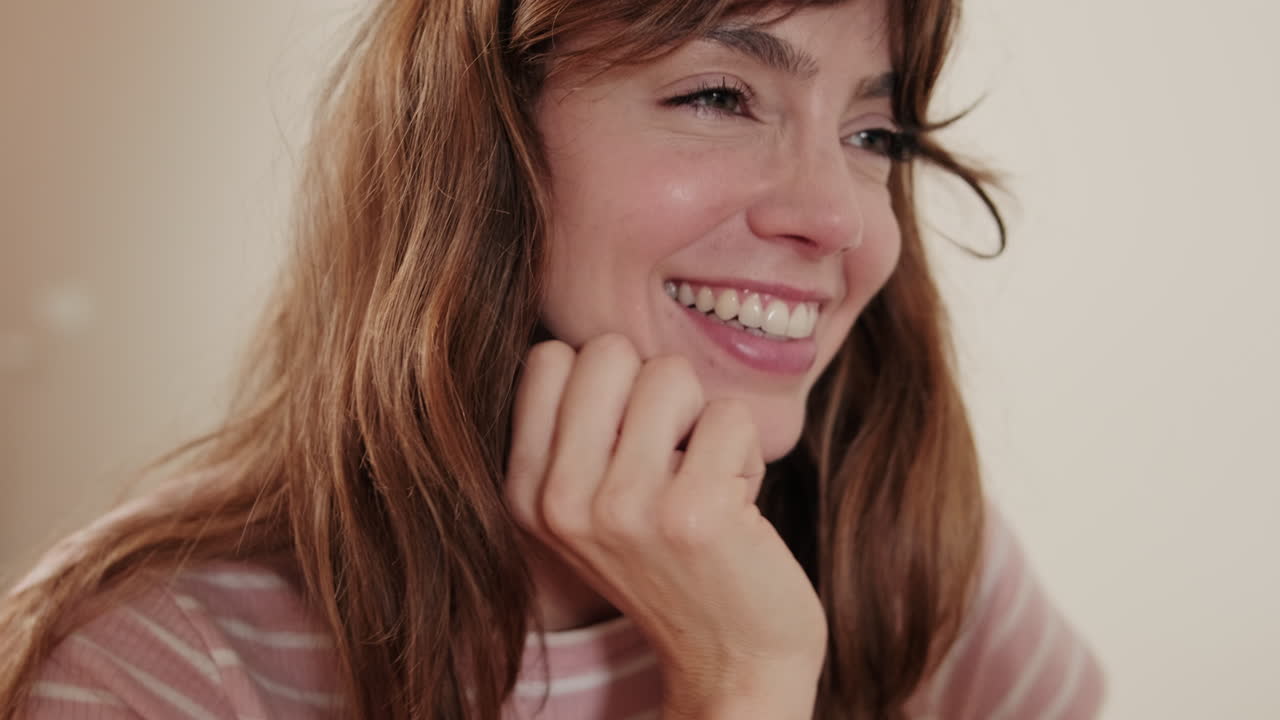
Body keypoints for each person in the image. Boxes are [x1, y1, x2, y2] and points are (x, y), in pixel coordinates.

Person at [0, 0, 1107, 718]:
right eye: (719, 96)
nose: (837, 218)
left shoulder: (913, 554)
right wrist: (743, 681)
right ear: (485, 143)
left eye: (871, 135)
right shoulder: (162, 668)